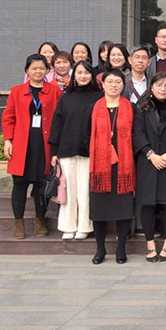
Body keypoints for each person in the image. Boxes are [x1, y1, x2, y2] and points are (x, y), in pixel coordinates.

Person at [3, 54, 63, 239]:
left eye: (42, 68)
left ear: (47, 70)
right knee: (19, 185)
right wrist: (8, 140)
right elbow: (8, 118)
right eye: (34, 68)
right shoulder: (16, 92)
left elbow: (60, 119)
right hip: (22, 146)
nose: (38, 71)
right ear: (27, 71)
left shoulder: (54, 91)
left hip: (44, 146)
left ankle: (40, 221)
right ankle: (18, 223)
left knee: (41, 184)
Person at [49, 61, 103, 240]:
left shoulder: (99, 97)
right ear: (74, 75)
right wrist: (54, 152)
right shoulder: (65, 98)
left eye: (87, 73)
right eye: (79, 72)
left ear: (92, 75)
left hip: (90, 152)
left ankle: (85, 226)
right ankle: (68, 226)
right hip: (67, 149)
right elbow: (57, 125)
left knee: (85, 191)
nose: (83, 76)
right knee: (68, 190)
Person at [132, 72, 166, 262]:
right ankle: (150, 245)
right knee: (147, 205)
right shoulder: (142, 107)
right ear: (151, 87)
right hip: (148, 162)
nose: (163, 89)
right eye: (159, 85)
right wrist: (151, 155)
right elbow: (137, 134)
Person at [88, 69, 135, 264]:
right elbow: (87, 133)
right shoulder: (95, 106)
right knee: (99, 210)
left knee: (123, 209)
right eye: (110, 82)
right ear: (103, 84)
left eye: (118, 82)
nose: (114, 85)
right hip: (101, 167)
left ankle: (121, 248)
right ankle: (100, 249)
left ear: (123, 85)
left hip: (123, 166)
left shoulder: (130, 107)